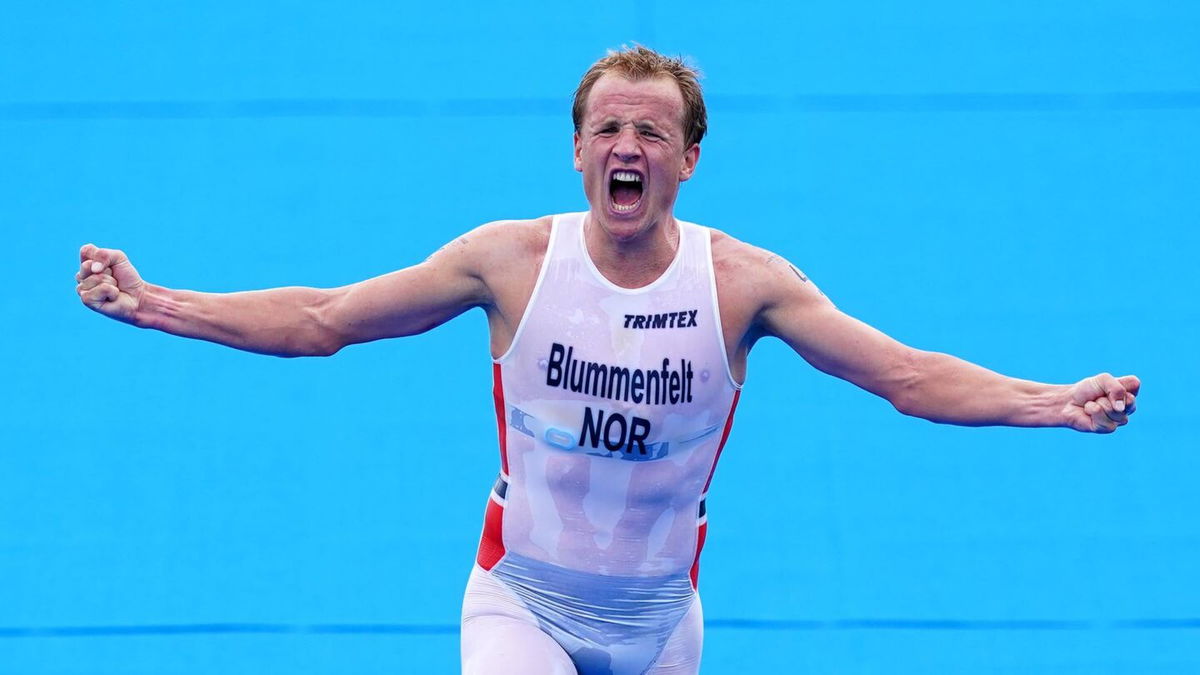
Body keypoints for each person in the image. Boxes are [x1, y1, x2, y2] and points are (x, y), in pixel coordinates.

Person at [75, 46, 1138, 675]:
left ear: (689, 158)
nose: (627, 145)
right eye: (607, 127)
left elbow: (904, 377)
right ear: (578, 150)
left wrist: (1050, 403)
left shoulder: (745, 286)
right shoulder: (508, 261)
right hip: (519, 599)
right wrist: (160, 302)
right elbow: (326, 317)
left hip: (661, 621)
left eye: (651, 131)